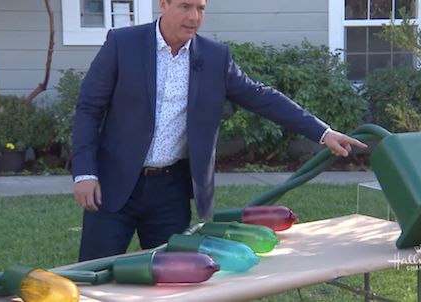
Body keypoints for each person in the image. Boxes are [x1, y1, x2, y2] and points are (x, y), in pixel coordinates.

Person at [72, 0, 367, 262]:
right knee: (93, 274)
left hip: (171, 190)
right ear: (163, 4)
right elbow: (89, 107)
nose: (194, 16)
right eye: (185, 6)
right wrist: (85, 172)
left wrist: (323, 132)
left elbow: (262, 97)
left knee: (173, 279)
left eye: (201, 8)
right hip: (113, 185)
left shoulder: (215, 58)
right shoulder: (123, 43)